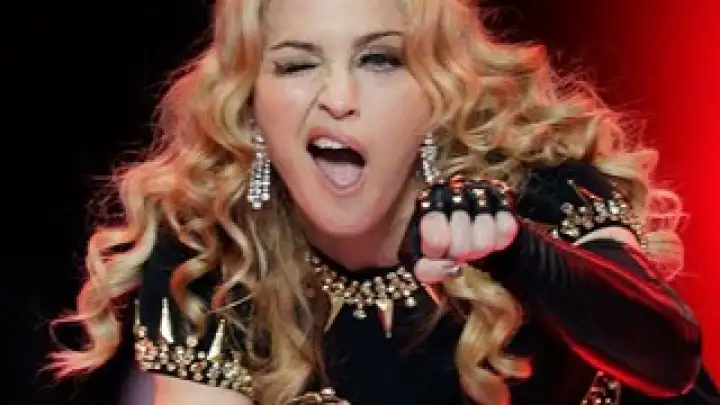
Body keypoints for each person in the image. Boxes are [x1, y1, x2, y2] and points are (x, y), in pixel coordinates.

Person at [49, 0, 718, 404]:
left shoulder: (535, 179)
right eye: (297, 64)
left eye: (380, 61)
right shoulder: (210, 246)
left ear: (437, 95)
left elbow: (671, 355)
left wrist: (516, 250)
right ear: (250, 109)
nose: (339, 98)